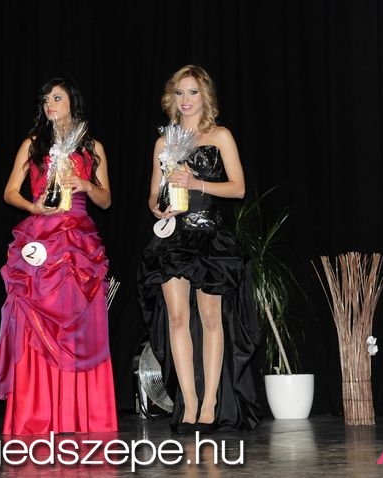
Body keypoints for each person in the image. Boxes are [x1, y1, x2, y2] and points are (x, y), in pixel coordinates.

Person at [137, 65, 262, 434]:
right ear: (171, 98)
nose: (185, 99)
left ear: (205, 96)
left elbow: (238, 188)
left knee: (210, 318)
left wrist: (197, 184)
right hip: (173, 239)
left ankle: (210, 405)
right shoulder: (164, 143)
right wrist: (159, 207)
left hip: (210, 237)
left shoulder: (219, 136)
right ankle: (188, 403)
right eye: (179, 92)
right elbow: (152, 196)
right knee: (177, 319)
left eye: (192, 92)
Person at [0, 77, 118, 435]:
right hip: (41, 238)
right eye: (46, 99)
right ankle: (39, 412)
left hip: (78, 243)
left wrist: (87, 185)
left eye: (57, 98)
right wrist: (34, 206)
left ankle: (78, 413)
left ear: (72, 103)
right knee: (37, 324)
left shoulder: (92, 146)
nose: (50, 104)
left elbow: (106, 200)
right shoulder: (33, 144)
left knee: (77, 326)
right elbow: (9, 192)